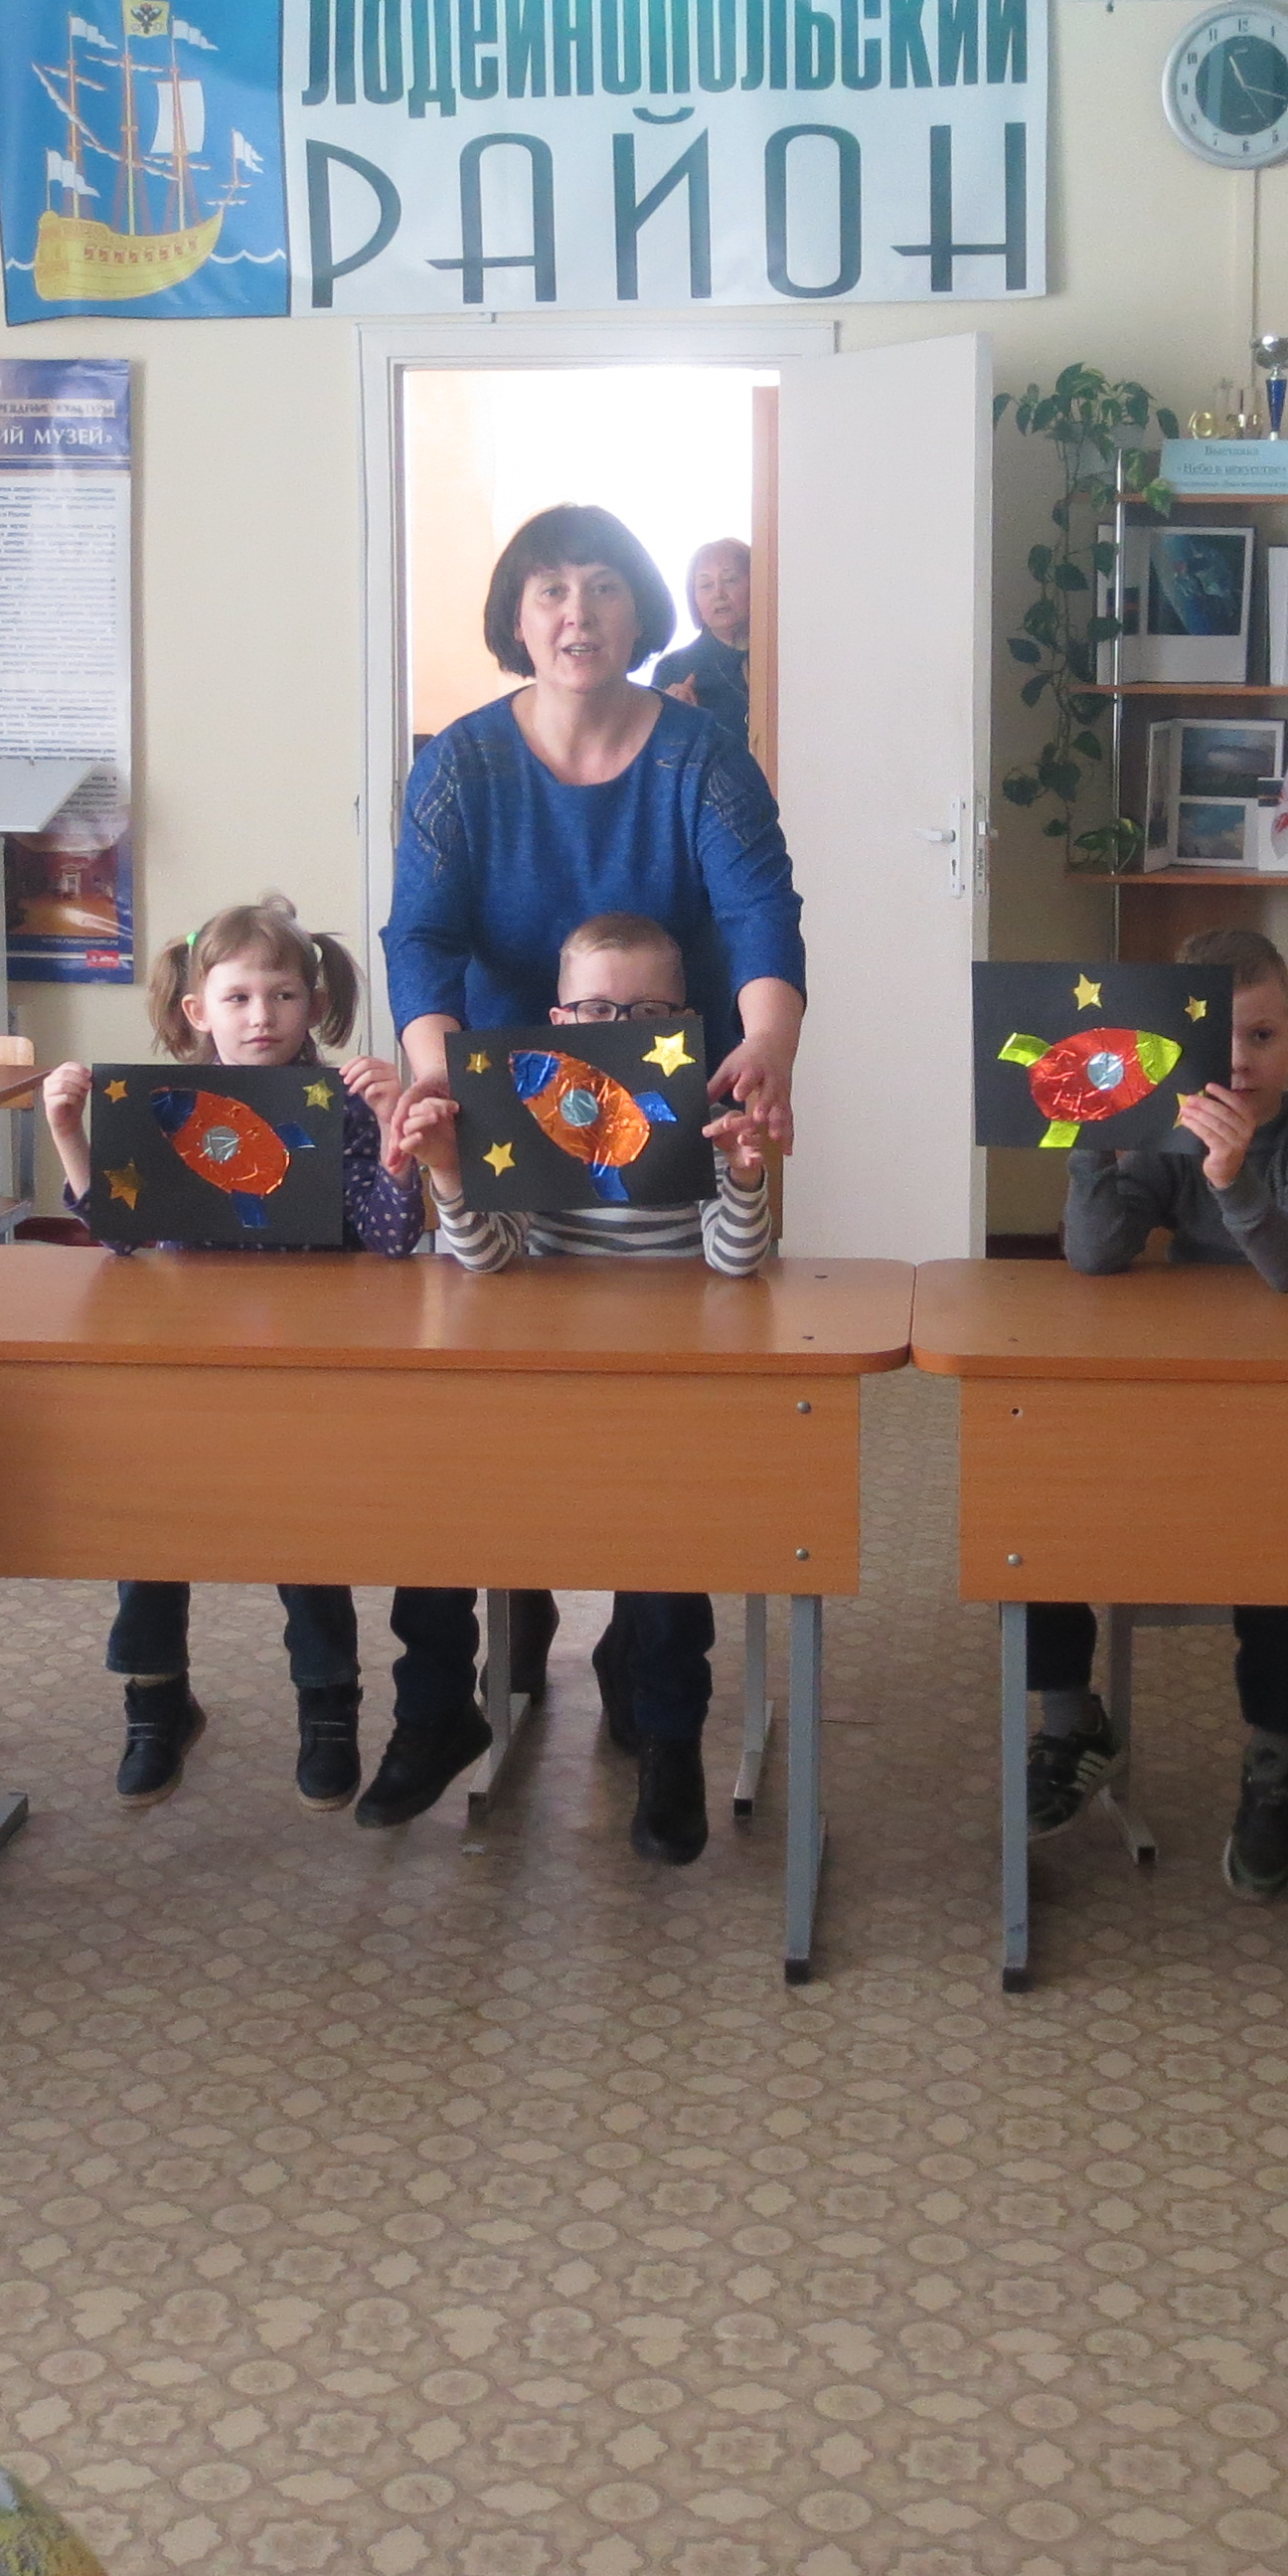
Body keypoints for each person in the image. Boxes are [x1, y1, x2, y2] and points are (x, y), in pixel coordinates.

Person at [385, 502, 807, 1739]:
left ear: (638, 609)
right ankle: (483, 1668)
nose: (580, 614)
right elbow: (421, 938)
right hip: (506, 1107)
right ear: (518, 617)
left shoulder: (703, 757)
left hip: (672, 1113)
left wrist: (767, 1045)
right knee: (488, 1398)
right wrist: (437, 1080)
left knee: (659, 1414)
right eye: (553, 591)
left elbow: (762, 915)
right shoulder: (459, 765)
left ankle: (647, 1650)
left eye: (605, 587)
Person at [387, 913, 781, 1863]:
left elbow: (736, 1263)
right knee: (430, 1505)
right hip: (546, 1378)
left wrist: (744, 1176)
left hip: (664, 1383)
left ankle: (673, 1744)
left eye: (645, 1012)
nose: (618, 1025)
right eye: (597, 1009)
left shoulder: (696, 1116)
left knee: (662, 1552)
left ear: (680, 1021)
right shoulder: (525, 1114)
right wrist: (450, 1174)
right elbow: (490, 1260)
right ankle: (440, 1709)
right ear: (560, 1020)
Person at [39, 896, 427, 1814]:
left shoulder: (342, 1105)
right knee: (151, 1526)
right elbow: (120, 1236)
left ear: (314, 1003)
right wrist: (68, 1134)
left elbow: (388, 1238)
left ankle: (328, 1710)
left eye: (284, 996)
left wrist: (396, 1143)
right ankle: (156, 1703)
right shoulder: (162, 1105)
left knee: (303, 1539)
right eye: (240, 998)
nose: (263, 1017)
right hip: (186, 1362)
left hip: (303, 1370)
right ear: (197, 1010)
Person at [1030, 926, 1288, 1900]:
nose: (1239, 1062)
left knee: (1279, 1552)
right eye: (1219, 1041)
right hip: (1185, 1398)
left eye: (1261, 1037)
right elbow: (1095, 1253)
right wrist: (1099, 1147)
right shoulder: (1170, 1132)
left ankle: (1277, 1754)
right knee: (1039, 1489)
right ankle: (1070, 1721)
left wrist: (1231, 1178)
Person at [651, 537, 751, 722]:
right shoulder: (673, 669)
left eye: (730, 580)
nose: (719, 594)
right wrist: (671, 718)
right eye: (706, 585)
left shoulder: (782, 655)